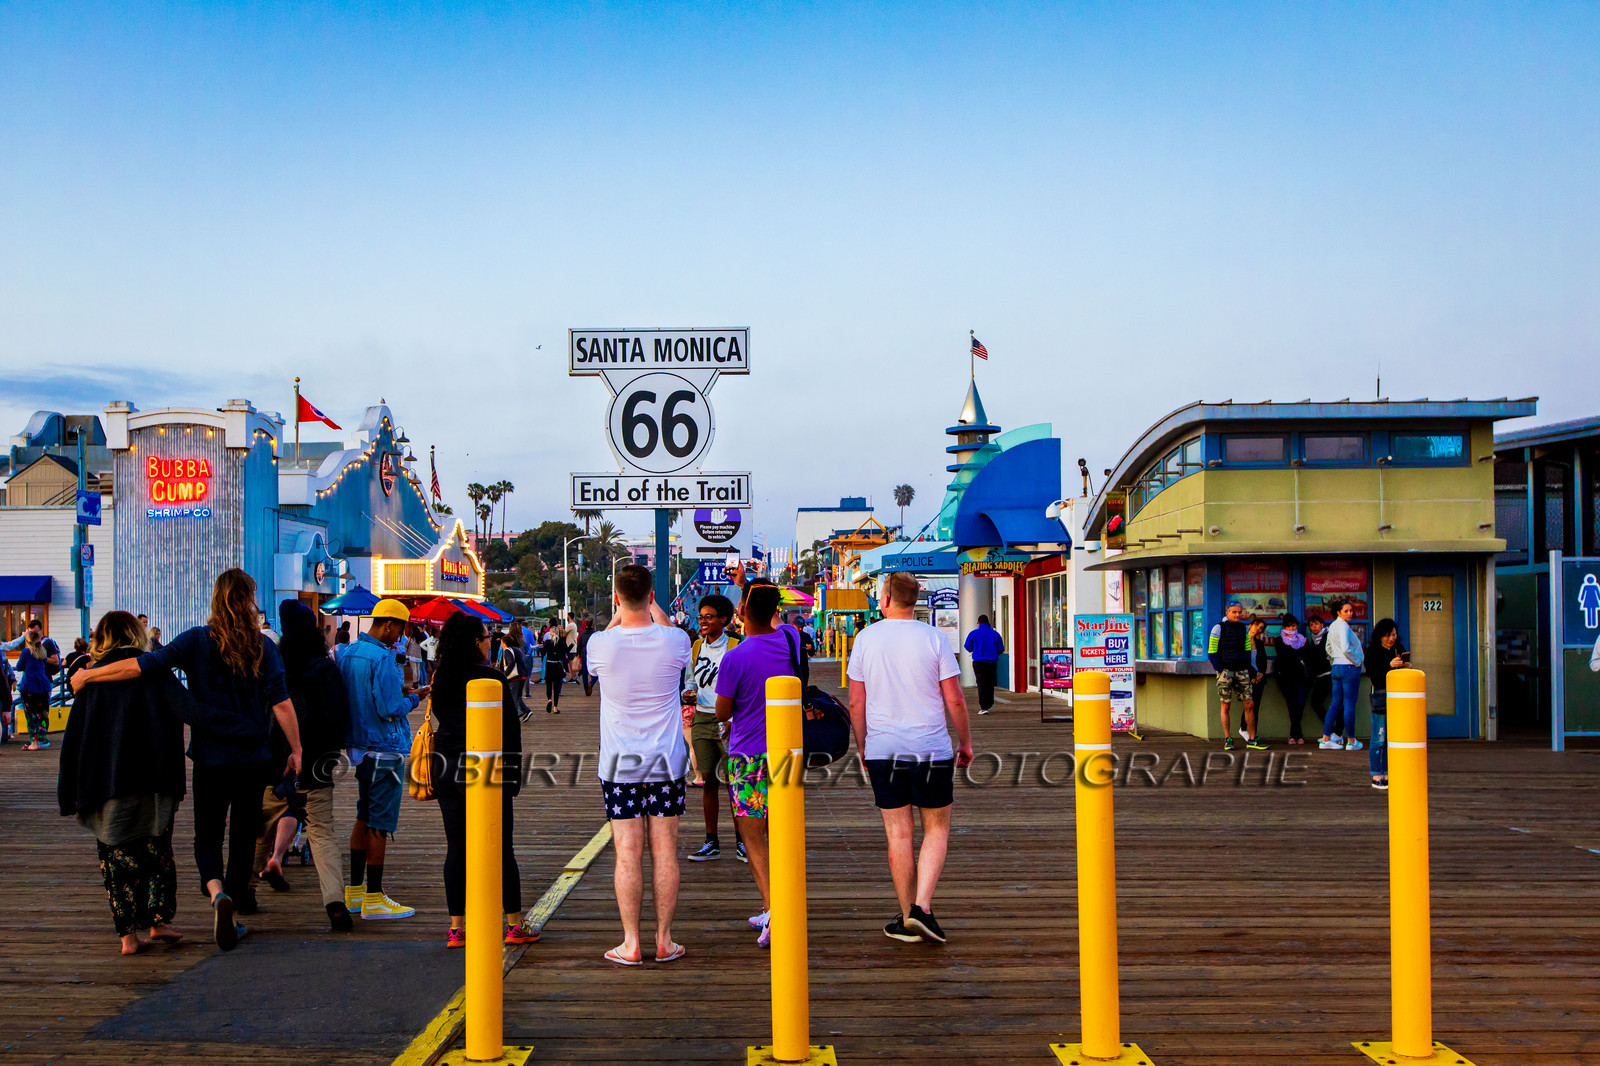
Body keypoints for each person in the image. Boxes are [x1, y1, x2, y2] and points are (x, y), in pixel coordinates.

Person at [71, 569, 304, 952]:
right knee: (244, 836)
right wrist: (296, 750)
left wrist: (88, 677)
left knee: (208, 835)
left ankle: (216, 894)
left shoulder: (196, 640)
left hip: (211, 758)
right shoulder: (265, 647)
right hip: (253, 758)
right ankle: (233, 903)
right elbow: (281, 703)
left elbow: (142, 666)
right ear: (248, 602)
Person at [847, 571, 974, 944]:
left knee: (898, 834)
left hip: (884, 749)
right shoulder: (934, 638)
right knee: (936, 829)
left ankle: (907, 918)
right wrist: (964, 743)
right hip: (930, 748)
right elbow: (954, 698)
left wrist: (863, 747)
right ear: (914, 600)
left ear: (884, 599)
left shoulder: (866, 639)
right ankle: (922, 907)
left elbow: (857, 701)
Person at [57, 612, 188, 955]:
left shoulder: (89, 680)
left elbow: (76, 739)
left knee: (116, 857)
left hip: (107, 780)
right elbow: (184, 712)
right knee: (157, 850)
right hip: (155, 777)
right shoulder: (154, 670)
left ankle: (128, 936)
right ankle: (159, 921)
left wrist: (69, 791)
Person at [584, 564, 691, 966]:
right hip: (666, 761)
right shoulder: (675, 640)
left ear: (615, 597)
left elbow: (611, 636)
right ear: (650, 597)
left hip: (619, 764)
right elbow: (663, 627)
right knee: (665, 851)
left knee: (627, 851)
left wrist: (621, 612)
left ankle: (631, 943)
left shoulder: (600, 644)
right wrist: (654, 610)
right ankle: (664, 939)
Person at [429, 612, 539, 949]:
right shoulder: (489, 680)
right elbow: (510, 730)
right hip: (485, 768)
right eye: (487, 637)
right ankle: (514, 924)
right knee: (500, 846)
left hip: (446, 766)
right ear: (476, 642)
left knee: (456, 848)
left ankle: (457, 928)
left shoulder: (440, 677)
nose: (491, 641)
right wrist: (513, 777)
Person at [253, 601, 355, 931]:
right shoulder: (324, 669)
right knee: (322, 833)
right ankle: (335, 904)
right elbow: (336, 718)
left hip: (272, 762)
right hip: (315, 765)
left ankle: (243, 892)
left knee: (261, 830)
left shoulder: (273, 664)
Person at [714, 581, 804, 947]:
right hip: (787, 752)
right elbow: (778, 619)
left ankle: (773, 908)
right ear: (774, 612)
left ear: (740, 613)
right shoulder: (791, 641)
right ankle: (781, 906)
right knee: (783, 831)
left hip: (748, 756)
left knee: (752, 834)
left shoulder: (735, 657)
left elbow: (722, 710)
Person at [339, 598, 427, 920]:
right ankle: (375, 898)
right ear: (389, 624)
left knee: (363, 815)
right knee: (381, 822)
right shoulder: (382, 658)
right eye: (400, 629)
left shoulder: (349, 654)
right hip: (385, 750)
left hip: (359, 750)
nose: (400, 637)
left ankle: (355, 892)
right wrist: (413, 699)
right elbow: (389, 708)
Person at [684, 594, 739, 862]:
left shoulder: (736, 646)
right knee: (708, 783)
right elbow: (690, 680)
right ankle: (711, 842)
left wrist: (731, 718)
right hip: (703, 719)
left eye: (709, 617)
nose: (703, 621)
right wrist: (688, 693)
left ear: (724, 620)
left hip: (732, 720)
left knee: (735, 785)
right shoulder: (696, 647)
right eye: (701, 616)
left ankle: (743, 842)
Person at [1207, 603, 1267, 751]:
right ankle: (1228, 738)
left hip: (1241, 670)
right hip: (1225, 670)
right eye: (1234, 612)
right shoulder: (1218, 628)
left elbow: (1247, 650)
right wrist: (1220, 669)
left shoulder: (1243, 628)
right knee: (1225, 705)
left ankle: (1252, 739)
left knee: (1249, 704)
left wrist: (1248, 669)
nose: (1237, 615)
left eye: (1239, 612)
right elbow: (1212, 651)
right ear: (1227, 612)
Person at [1365, 619, 1408, 790]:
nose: (1391, 638)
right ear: (1380, 635)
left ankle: (1390, 772)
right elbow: (1373, 675)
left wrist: (1407, 666)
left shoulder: (1399, 649)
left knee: (1393, 739)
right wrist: (1389, 666)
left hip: (1399, 699)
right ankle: (1377, 773)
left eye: (1394, 635)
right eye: (1388, 635)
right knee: (1379, 738)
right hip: (1381, 697)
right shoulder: (1373, 651)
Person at [8, 617, 61, 749]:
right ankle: (41, 739)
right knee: (42, 713)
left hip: (30, 686)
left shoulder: (27, 651)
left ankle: (34, 742)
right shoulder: (43, 652)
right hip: (43, 685)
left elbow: (19, 666)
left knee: (30, 713)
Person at [1320, 600, 1365, 751]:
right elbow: (1346, 648)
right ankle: (1351, 741)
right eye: (1346, 611)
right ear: (1338, 612)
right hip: (1349, 667)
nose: (1350, 613)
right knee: (1349, 704)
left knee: (1335, 703)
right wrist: (1357, 661)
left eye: (1351, 610)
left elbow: (1328, 648)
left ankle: (1326, 739)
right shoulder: (1344, 626)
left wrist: (1336, 659)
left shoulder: (1332, 626)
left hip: (1336, 667)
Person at [1275, 615, 1312, 745]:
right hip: (1286, 678)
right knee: (1291, 705)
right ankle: (1296, 733)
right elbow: (1283, 656)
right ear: (1284, 627)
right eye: (1289, 626)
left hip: (1301, 678)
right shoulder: (1279, 640)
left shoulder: (1303, 640)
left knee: (1300, 704)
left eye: (1294, 625)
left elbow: (1308, 657)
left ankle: (1295, 732)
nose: (1292, 628)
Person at [962, 615, 1004, 715]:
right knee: (990, 684)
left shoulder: (973, 633)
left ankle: (983, 707)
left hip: (978, 662)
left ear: (979, 623)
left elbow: (968, 647)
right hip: (991, 662)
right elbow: (1001, 649)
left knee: (981, 684)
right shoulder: (995, 634)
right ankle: (989, 704)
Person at [1305, 614, 1332, 725]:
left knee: (1339, 703)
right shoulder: (1312, 640)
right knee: (1315, 703)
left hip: (1331, 675)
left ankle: (1338, 732)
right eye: (1311, 625)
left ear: (1322, 625)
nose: (1314, 627)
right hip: (1320, 677)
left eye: (1316, 624)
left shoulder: (1329, 637)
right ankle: (1330, 730)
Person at [541, 622, 571, 714]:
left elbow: (543, 653)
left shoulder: (548, 643)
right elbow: (564, 653)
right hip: (557, 665)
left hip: (549, 664)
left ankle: (549, 700)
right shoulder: (561, 642)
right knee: (556, 686)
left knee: (548, 685)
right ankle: (555, 707)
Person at [1247, 619, 1271, 732]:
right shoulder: (1242, 642)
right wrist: (1252, 675)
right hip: (1247, 677)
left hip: (1259, 678)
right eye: (1256, 625)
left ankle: (1253, 733)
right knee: (1249, 705)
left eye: (1261, 628)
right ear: (1250, 625)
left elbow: (1263, 661)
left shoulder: (1259, 643)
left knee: (1256, 706)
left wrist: (1260, 674)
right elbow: (1242, 661)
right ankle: (1244, 729)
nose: (1258, 628)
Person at [577, 617, 596, 697]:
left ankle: (586, 691)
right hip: (593, 655)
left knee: (584, 673)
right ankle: (591, 683)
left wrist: (578, 654)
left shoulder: (582, 634)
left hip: (584, 655)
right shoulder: (595, 634)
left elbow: (579, 646)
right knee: (596, 673)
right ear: (592, 624)